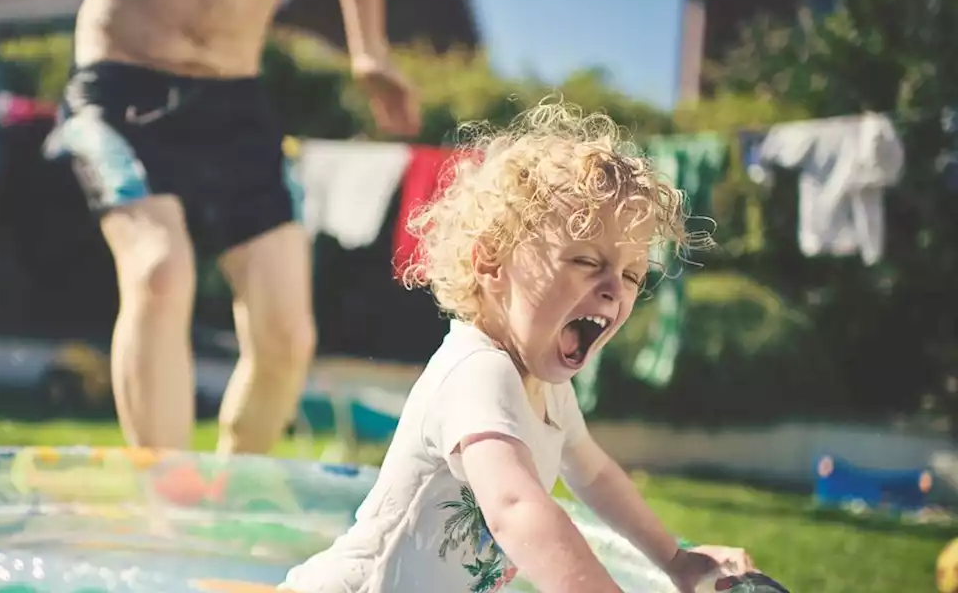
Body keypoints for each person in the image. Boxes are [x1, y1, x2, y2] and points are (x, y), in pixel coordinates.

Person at [0, 0, 420, 454]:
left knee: (286, 333)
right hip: (122, 83)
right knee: (160, 271)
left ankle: (235, 495)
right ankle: (164, 507)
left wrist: (368, 48)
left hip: (235, 102)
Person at [282, 100, 762, 593]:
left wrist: (676, 559)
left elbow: (594, 475)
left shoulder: (545, 386)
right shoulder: (477, 372)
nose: (614, 289)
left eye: (632, 275)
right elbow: (515, 509)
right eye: (586, 260)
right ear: (492, 262)